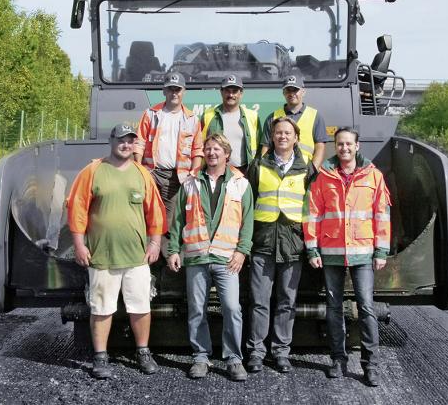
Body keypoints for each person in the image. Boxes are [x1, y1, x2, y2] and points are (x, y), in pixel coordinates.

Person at [67, 123, 167, 379]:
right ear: (111, 141)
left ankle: (143, 352)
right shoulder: (93, 171)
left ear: (135, 144)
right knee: (101, 308)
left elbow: (155, 212)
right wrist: (79, 244)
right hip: (102, 256)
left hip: (136, 257)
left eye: (130, 141)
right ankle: (100, 357)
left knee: (141, 306)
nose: (125, 145)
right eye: (121, 140)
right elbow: (77, 208)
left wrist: (155, 243)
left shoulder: (142, 174)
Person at [304, 127, 391, 386]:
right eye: (340, 144)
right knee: (334, 307)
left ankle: (370, 365)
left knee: (366, 307)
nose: (344, 148)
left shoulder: (373, 176)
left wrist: (381, 250)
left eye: (348, 144)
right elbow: (312, 214)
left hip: (362, 254)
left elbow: (382, 215)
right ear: (336, 146)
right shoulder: (323, 176)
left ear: (357, 146)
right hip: (331, 253)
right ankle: (338, 359)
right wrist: (312, 249)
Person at [167, 133, 254, 382]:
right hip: (197, 257)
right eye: (208, 149)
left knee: (232, 308)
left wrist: (242, 251)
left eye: (217, 149)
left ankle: (234, 359)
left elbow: (247, 220)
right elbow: (178, 220)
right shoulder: (190, 182)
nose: (212, 153)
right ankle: (201, 357)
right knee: (197, 309)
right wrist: (173, 250)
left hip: (227, 259)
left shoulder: (240, 183)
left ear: (227, 154)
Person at [245, 116, 314, 374]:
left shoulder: (307, 168)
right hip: (262, 242)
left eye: (287, 133)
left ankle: (281, 352)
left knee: (287, 301)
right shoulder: (258, 165)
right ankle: (256, 351)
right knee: (259, 301)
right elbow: (247, 205)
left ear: (296, 138)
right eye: (278, 133)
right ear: (272, 137)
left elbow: (313, 207)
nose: (282, 136)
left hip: (293, 244)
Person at [134, 71, 204, 237]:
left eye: (177, 89)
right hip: (151, 173)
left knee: (169, 222)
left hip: (176, 178)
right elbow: (139, 143)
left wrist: (194, 172)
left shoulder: (192, 119)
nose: (174, 93)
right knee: (145, 215)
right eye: (170, 89)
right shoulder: (151, 114)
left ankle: (163, 253)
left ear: (183, 91)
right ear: (164, 91)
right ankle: (147, 251)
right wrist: (139, 169)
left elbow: (197, 149)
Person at [260, 73, 329, 169]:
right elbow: (266, 147)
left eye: (295, 90)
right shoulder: (272, 117)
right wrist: (265, 169)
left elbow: (320, 148)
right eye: (288, 90)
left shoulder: (315, 116)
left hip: (305, 170)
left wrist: (312, 171)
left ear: (303, 92)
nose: (291, 94)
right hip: (278, 170)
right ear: (283, 93)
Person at [201, 74, 261, 174]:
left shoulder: (252, 116)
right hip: (217, 172)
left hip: (245, 172)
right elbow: (200, 145)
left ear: (241, 93)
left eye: (235, 91)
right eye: (227, 91)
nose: (231, 95)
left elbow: (260, 147)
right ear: (221, 92)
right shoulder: (208, 115)